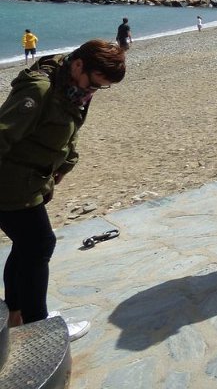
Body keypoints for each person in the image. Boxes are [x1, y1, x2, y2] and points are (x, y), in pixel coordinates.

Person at [0, 40, 126, 340]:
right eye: (94, 83)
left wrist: (66, 162)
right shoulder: (40, 89)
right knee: (40, 244)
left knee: (26, 246)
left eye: (102, 87)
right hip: (11, 186)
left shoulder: (71, 88)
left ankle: (16, 315)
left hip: (30, 182)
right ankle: (38, 326)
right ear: (79, 65)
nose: (94, 91)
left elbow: (67, 128)